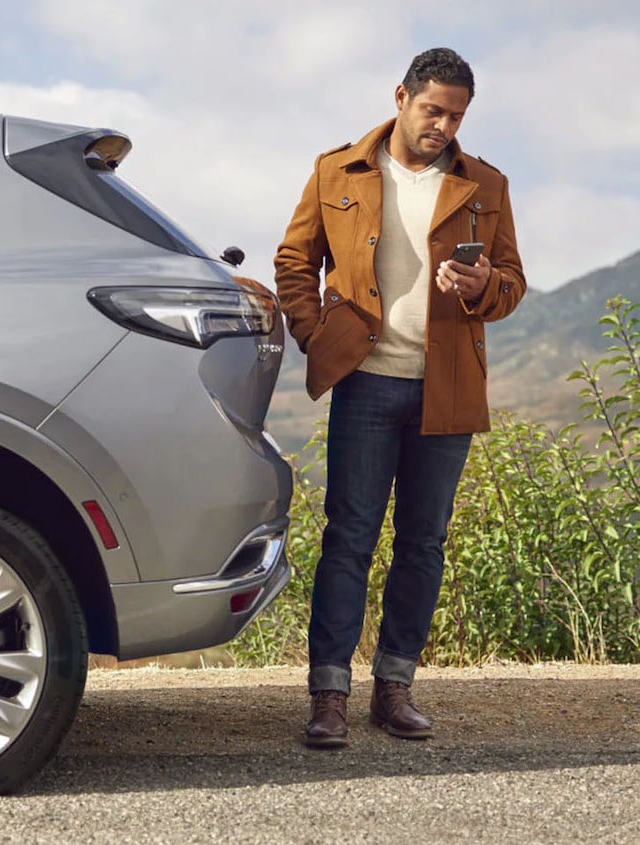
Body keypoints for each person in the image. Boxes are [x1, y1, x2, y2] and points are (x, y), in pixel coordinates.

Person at [274, 47, 526, 748]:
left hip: (446, 389)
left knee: (423, 541)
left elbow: (511, 281)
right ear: (400, 97)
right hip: (365, 382)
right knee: (348, 538)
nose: (443, 126)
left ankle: (395, 685)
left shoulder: (487, 185)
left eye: (456, 116)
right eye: (432, 110)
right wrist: (313, 332)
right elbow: (295, 261)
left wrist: (484, 290)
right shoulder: (338, 171)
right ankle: (328, 695)